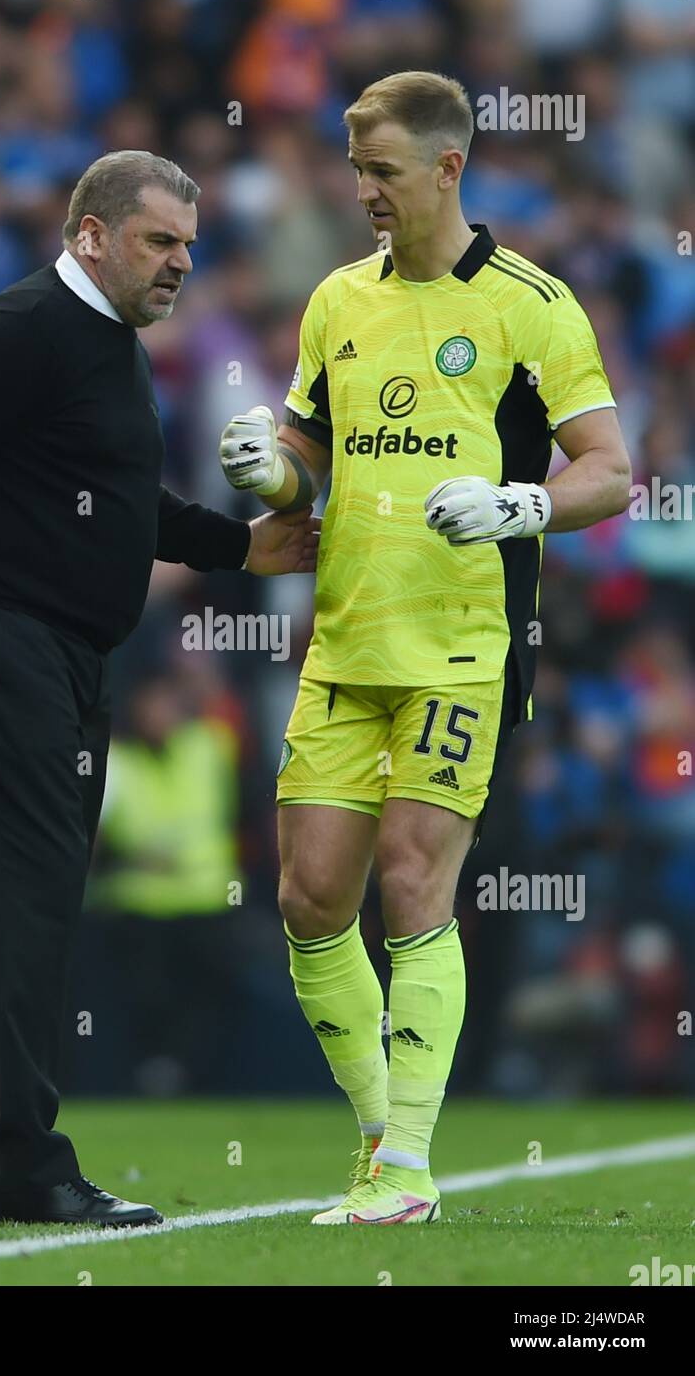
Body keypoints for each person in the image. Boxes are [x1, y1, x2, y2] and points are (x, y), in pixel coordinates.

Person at [0, 150, 318, 1227]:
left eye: (190, 246)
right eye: (161, 241)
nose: (181, 265)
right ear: (91, 236)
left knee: (30, 899)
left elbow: (114, 499)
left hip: (57, 649)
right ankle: (24, 1158)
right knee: (31, 893)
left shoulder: (102, 345)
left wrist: (236, 546)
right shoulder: (19, 331)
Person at [218, 71, 631, 1224]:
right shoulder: (336, 301)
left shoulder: (532, 305)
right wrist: (268, 468)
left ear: (449, 169)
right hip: (346, 637)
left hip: (466, 641)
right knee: (308, 900)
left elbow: (609, 468)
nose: (365, 194)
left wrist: (520, 506)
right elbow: (307, 449)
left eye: (384, 172)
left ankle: (406, 1166)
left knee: (413, 877)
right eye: (357, 171)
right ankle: (376, 1138)